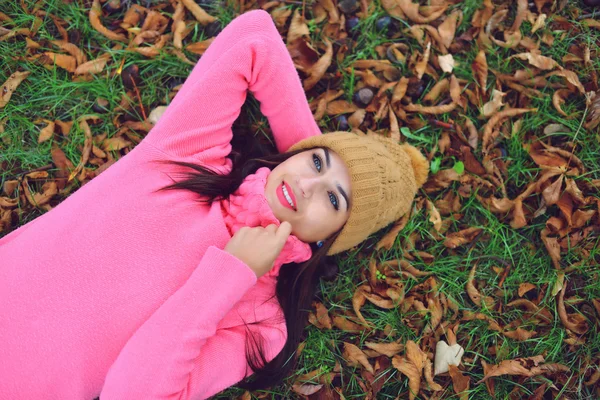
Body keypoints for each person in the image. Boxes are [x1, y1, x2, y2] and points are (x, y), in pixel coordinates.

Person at [0, 9, 429, 400]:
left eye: (334, 199)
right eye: (316, 161)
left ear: (334, 238)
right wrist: (312, 152)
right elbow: (253, 37)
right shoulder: (188, 157)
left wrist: (229, 276)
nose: (308, 186)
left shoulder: (262, 323)